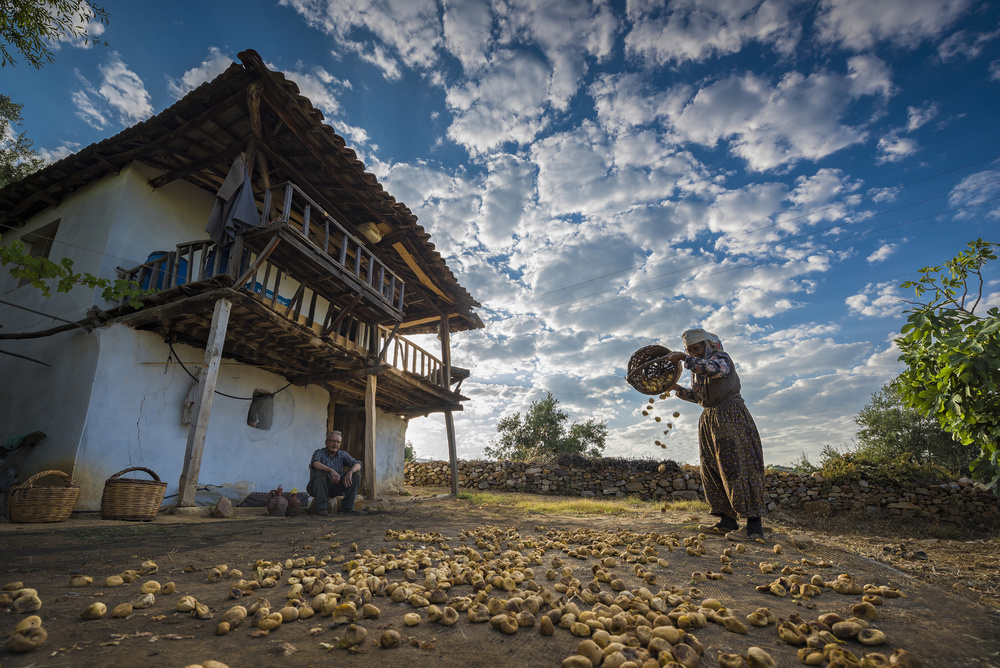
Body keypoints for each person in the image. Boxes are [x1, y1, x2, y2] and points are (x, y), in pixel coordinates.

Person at [666, 329, 766, 541]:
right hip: (710, 417)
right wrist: (675, 387)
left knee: (738, 466)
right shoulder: (697, 368)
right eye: (689, 350)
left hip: (731, 416)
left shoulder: (720, 358)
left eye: (696, 348)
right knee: (712, 468)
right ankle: (726, 521)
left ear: (708, 345)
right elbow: (699, 397)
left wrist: (685, 358)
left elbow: (715, 370)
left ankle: (754, 527)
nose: (693, 352)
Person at [307, 430, 362, 516]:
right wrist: (330, 470)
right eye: (332, 441)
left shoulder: (342, 454)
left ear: (340, 444)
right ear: (326, 442)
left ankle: (347, 508)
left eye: (338, 442)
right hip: (318, 488)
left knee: (356, 474)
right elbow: (315, 463)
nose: (335, 444)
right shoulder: (319, 452)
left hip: (336, 488)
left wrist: (350, 471)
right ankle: (322, 508)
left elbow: (358, 464)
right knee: (319, 473)